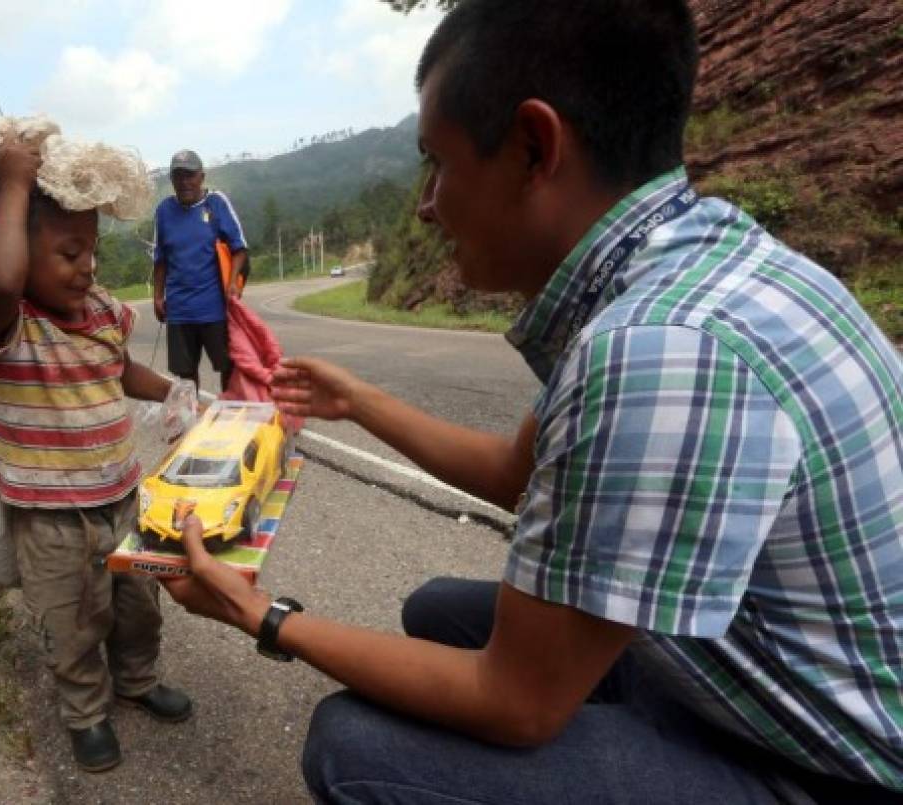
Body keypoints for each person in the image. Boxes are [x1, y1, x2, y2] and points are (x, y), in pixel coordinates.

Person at [159, 1, 903, 802]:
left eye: (436, 162)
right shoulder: (697, 264)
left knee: (352, 747)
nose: (428, 204)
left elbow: (516, 704)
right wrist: (361, 401)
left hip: (826, 766)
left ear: (534, 147)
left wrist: (265, 615)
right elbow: (520, 472)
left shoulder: (653, 349)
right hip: (737, 668)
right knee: (439, 610)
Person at [0, 131, 192, 773]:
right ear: (18, 253)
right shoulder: (8, 323)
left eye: (92, 250)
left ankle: (137, 678)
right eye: (68, 252)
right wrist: (14, 183)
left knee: (139, 608)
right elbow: (1, 276)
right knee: (69, 626)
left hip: (122, 498)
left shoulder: (99, 312)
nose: (88, 266)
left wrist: (174, 392)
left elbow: (118, 370)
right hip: (48, 519)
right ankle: (86, 713)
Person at [152, 148, 249, 392]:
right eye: (178, 176)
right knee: (185, 376)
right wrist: (157, 296)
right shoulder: (164, 211)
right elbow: (160, 259)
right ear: (172, 180)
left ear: (201, 177)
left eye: (190, 175)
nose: (184, 182)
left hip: (215, 310)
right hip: (179, 311)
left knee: (228, 367)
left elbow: (240, 249)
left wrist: (233, 283)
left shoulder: (216, 203)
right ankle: (190, 422)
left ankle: (230, 415)